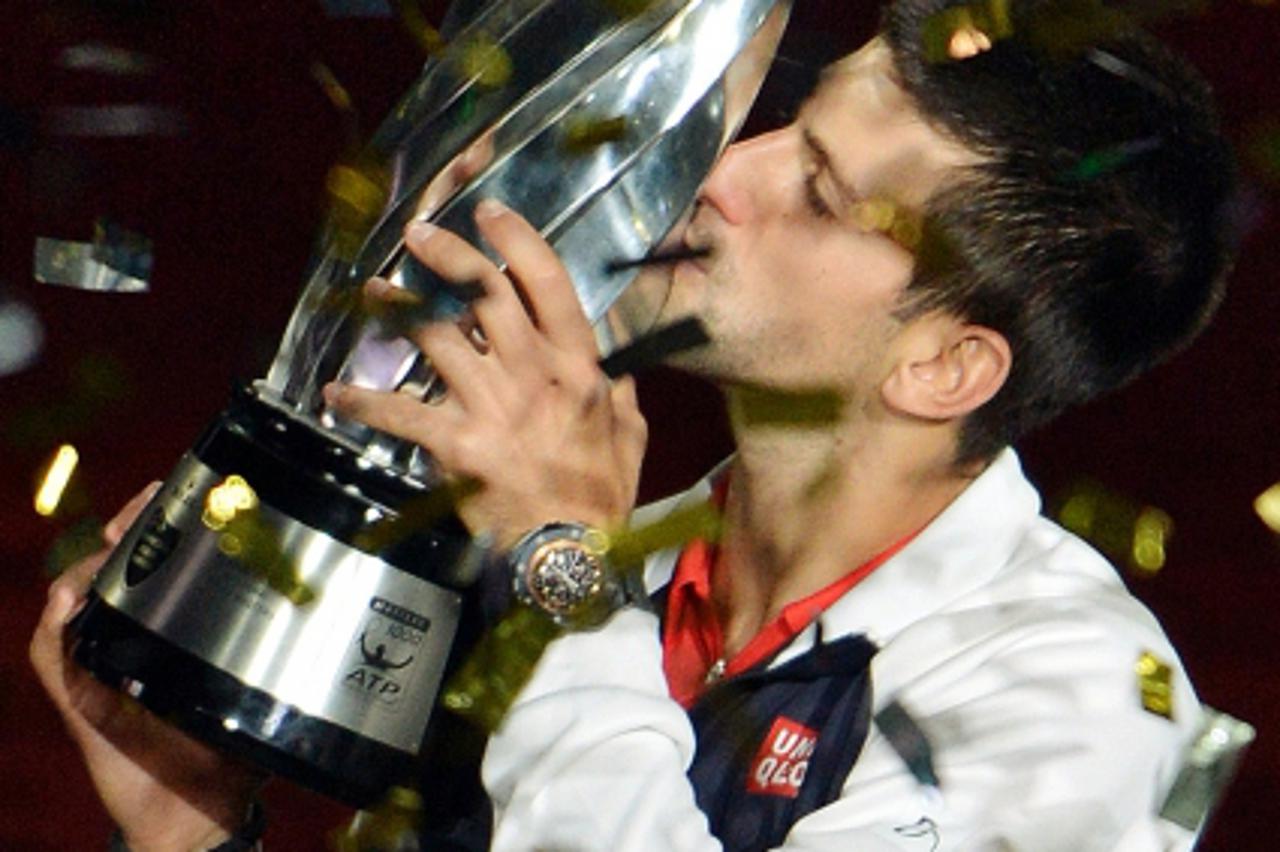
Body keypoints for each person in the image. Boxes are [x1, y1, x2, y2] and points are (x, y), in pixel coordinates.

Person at [31, 0, 1238, 848]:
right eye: (782, 123)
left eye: (814, 191)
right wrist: (195, 838)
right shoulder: (587, 567)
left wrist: (563, 571)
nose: (722, 172)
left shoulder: (1071, 705)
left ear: (941, 365)